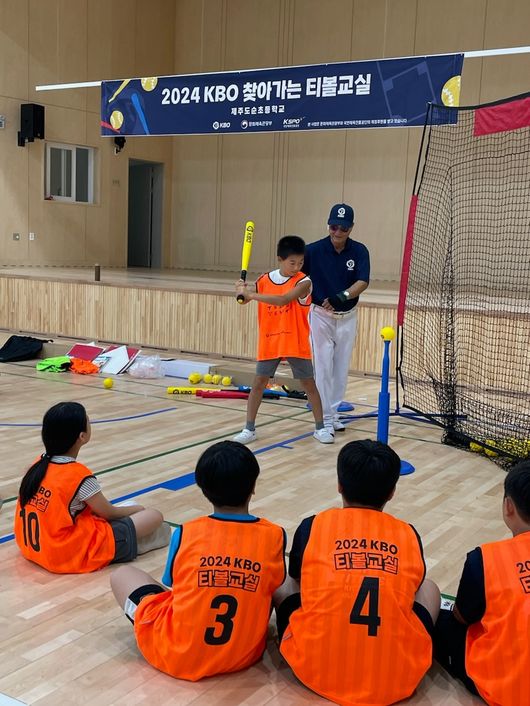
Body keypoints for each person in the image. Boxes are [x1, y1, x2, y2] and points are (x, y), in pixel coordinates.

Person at [276, 439, 440, 706]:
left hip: (313, 669)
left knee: (286, 581)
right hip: (398, 677)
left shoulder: (312, 525)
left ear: (340, 485)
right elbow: (413, 586)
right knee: (429, 586)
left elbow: (296, 578)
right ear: (392, 492)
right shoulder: (408, 532)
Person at [110, 440, 286, 681]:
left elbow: (173, 585)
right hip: (244, 654)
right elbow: (273, 587)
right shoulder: (275, 534)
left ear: (203, 489)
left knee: (121, 575)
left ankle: (149, 625)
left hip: (176, 654)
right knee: (281, 584)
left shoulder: (186, 532)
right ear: (253, 486)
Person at [14, 401, 170, 573]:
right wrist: (137, 509)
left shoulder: (36, 465)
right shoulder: (78, 475)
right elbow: (109, 513)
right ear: (82, 436)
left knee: (115, 513)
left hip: (32, 547)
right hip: (66, 552)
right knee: (154, 516)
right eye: (88, 421)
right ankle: (133, 544)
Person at [434, 460, 530, 705]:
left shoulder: (485, 559)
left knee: (441, 618)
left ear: (508, 506)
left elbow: (462, 617)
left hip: (507, 691)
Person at [233, 235, 334, 445]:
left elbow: (283, 300)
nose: (297, 266)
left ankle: (320, 428)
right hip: (270, 340)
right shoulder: (263, 281)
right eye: (292, 262)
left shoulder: (305, 281)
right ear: (280, 259)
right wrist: (241, 292)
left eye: (301, 262)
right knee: (258, 383)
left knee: (309, 385)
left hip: (294, 341)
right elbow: (244, 301)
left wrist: (251, 295)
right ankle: (249, 429)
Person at [303, 203, 370, 434]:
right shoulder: (312, 250)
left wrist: (342, 296)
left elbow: (363, 281)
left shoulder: (360, 251)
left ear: (351, 228)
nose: (337, 232)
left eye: (343, 228)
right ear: (328, 225)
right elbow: (297, 276)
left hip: (348, 316)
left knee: (340, 368)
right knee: (322, 366)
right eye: (333, 227)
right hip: (321, 316)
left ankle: (333, 412)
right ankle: (324, 421)